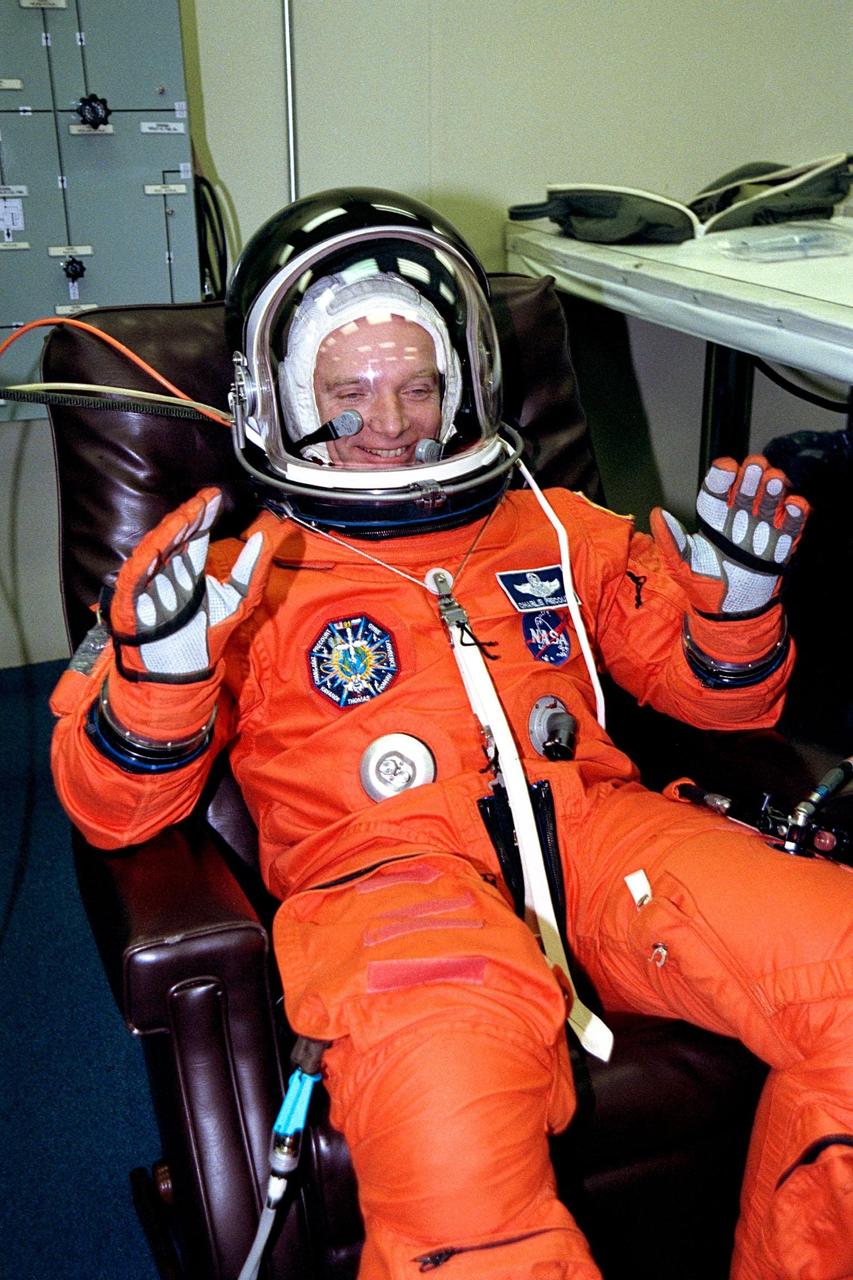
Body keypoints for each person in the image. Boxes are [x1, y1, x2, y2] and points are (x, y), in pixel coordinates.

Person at [50, 188, 852, 1280]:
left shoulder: (555, 526)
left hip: (607, 843)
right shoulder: (239, 577)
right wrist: (161, 676)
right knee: (456, 1156)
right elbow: (113, 810)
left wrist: (736, 605)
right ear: (277, 400)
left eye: (418, 383)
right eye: (349, 391)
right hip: (393, 889)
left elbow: (722, 702)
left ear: (462, 381)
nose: (391, 423)